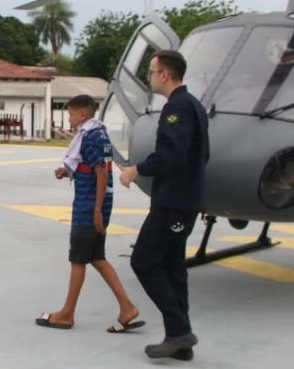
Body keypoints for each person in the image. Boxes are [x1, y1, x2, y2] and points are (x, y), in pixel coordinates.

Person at [120, 49, 210, 360]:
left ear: (165, 75)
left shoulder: (178, 108)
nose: (148, 77)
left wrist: (137, 170)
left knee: (143, 261)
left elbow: (172, 156)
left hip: (173, 202)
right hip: (184, 200)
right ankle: (179, 340)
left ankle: (179, 330)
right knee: (173, 268)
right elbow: (203, 155)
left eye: (151, 71)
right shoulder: (193, 106)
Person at [36, 94, 144, 334]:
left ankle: (66, 313)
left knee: (78, 260)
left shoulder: (89, 136)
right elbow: (93, 167)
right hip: (97, 204)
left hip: (88, 207)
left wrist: (96, 210)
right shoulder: (99, 133)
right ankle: (127, 307)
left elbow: (102, 174)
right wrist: (68, 171)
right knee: (97, 257)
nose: (70, 119)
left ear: (82, 114)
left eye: (71, 114)